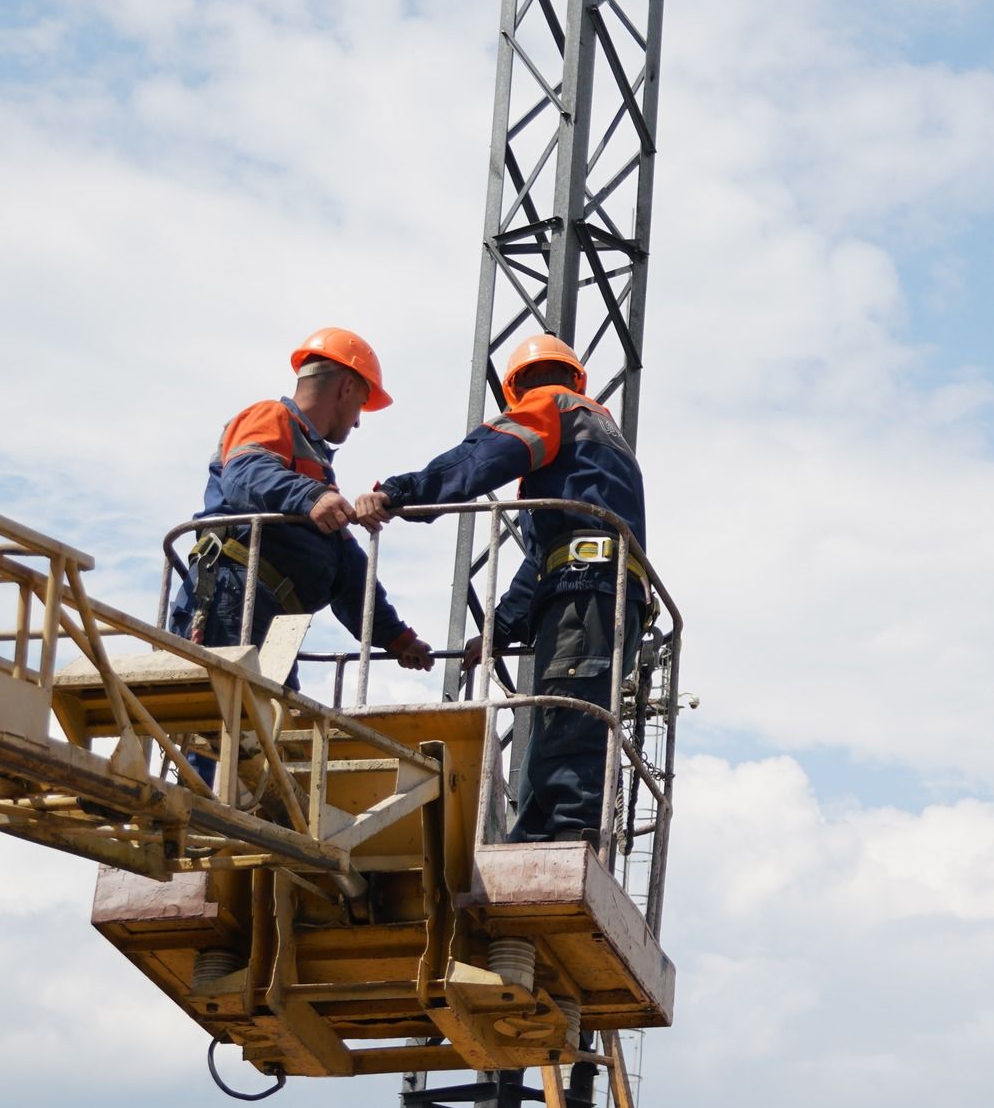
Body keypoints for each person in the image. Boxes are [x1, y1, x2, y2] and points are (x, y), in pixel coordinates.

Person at [355, 333, 648, 845]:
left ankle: (567, 834)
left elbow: (480, 458)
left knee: (569, 708)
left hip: (586, 591)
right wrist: (499, 631)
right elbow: (545, 559)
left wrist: (401, 493)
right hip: (599, 589)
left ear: (517, 387)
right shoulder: (596, 443)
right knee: (564, 711)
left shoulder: (553, 406)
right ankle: (537, 833)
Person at [171, 327, 433, 678]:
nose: (358, 422)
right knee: (234, 706)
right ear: (347, 387)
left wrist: (396, 637)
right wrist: (312, 497)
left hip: (271, 617)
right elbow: (244, 473)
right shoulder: (271, 417)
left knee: (270, 710)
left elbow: (347, 566)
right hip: (232, 596)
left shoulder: (314, 469)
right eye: (361, 405)